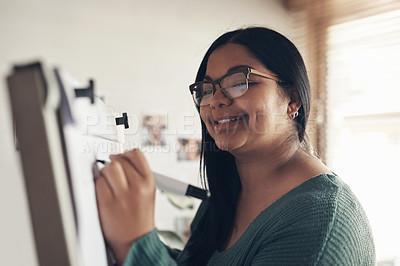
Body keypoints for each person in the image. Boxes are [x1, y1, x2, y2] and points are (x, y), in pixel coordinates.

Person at [95, 27, 376, 265]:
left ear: (292, 99)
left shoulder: (319, 221)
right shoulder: (225, 195)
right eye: (206, 89)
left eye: (239, 82)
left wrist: (136, 242)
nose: (215, 100)